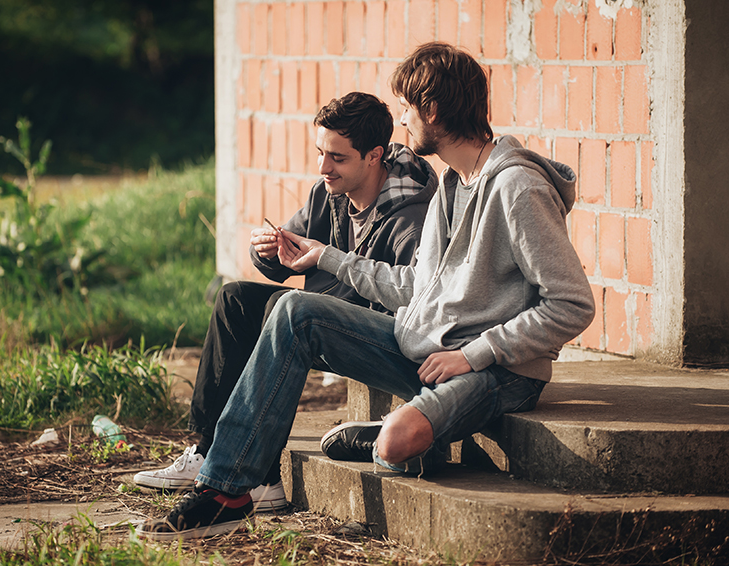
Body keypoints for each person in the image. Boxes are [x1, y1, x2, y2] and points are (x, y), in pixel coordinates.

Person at [135, 42, 595, 541]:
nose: (402, 121)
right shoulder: (452, 184)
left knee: (399, 443)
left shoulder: (517, 189)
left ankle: (392, 435)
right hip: (424, 347)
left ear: (433, 111)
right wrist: (327, 258)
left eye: (406, 109)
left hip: (499, 372)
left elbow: (571, 304)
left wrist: (475, 354)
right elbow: (415, 286)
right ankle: (226, 490)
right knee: (295, 310)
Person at [132, 92, 438, 511]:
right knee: (235, 298)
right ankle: (211, 452)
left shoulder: (412, 217)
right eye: (320, 152)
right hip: (313, 319)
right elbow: (288, 260)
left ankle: (248, 477)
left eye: (337, 157)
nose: (323, 167)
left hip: (372, 338)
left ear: (374, 156)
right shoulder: (327, 193)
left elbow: (413, 298)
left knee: (287, 309)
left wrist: (327, 261)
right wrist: (269, 252)